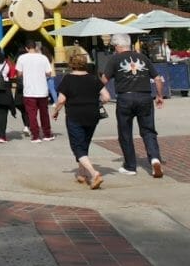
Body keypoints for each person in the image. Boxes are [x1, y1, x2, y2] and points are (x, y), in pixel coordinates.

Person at [100, 32, 165, 178]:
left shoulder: (114, 59)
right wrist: (159, 95)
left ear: (117, 46)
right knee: (148, 131)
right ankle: (154, 159)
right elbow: (158, 78)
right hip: (145, 97)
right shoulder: (143, 58)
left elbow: (104, 80)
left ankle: (130, 166)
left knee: (125, 133)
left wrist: (97, 92)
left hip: (125, 98)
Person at [52, 53, 108, 189]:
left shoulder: (68, 79)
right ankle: (82, 174)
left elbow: (61, 99)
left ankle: (94, 174)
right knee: (84, 144)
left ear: (71, 65)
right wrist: (95, 103)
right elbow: (106, 96)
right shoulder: (94, 78)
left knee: (77, 147)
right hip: (92, 115)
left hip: (75, 115)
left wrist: (56, 111)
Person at [15, 39, 55, 142]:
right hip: (42, 90)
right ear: (36, 47)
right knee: (44, 113)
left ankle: (35, 136)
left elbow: (19, 73)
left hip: (29, 90)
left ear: (26, 48)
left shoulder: (22, 58)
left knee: (31, 114)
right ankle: (47, 134)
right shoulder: (43, 58)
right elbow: (49, 73)